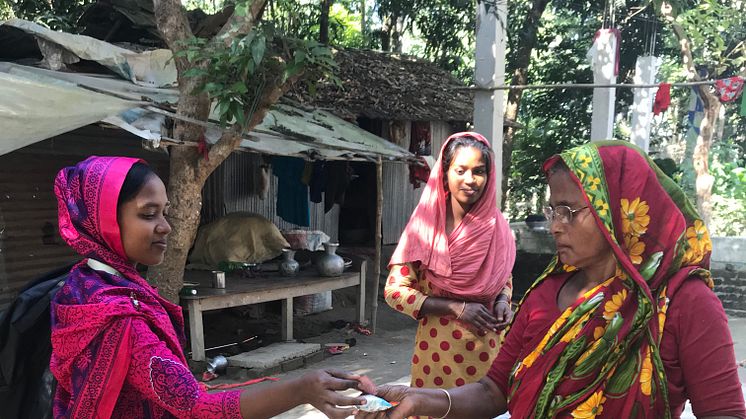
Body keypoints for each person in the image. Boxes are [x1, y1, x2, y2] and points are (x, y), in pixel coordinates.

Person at [361, 142, 746, 418]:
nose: (554, 225)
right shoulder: (546, 293)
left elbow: (724, 411)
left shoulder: (682, 303)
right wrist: (419, 400)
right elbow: (494, 390)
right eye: (552, 209)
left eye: (569, 211)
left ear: (620, 212)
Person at [50, 156, 364, 418]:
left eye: (164, 212)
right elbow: (195, 407)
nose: (166, 226)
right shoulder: (122, 320)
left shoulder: (80, 286)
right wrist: (301, 389)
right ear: (102, 221)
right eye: (148, 214)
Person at [383, 133, 516, 399]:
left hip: (488, 352)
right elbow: (394, 291)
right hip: (437, 357)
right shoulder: (425, 229)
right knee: (433, 410)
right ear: (444, 174)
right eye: (460, 170)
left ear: (489, 178)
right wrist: (455, 308)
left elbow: (503, 278)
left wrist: (503, 302)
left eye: (479, 172)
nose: (470, 180)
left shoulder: (496, 227)